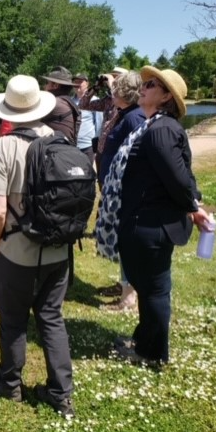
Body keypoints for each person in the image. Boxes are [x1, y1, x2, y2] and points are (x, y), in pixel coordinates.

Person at [97, 66, 212, 365]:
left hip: (151, 224)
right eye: (146, 83)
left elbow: (177, 177)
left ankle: (152, 353)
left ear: (165, 97)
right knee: (148, 287)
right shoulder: (152, 126)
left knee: (154, 290)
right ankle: (144, 340)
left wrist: (193, 206)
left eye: (151, 85)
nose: (144, 88)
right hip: (143, 222)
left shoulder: (161, 130)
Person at [0, 75, 75, 418]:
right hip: (59, 248)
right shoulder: (60, 140)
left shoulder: (2, 147)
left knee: (13, 318)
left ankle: (9, 383)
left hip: (17, 251)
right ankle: (60, 394)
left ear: (8, 111)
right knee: (51, 317)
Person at [96, 71, 146, 312]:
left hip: (124, 191)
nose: (112, 92)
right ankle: (124, 285)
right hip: (115, 188)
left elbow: (138, 157)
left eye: (116, 89)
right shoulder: (125, 113)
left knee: (126, 240)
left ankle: (128, 298)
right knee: (120, 239)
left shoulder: (134, 118)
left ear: (125, 93)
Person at [40, 66, 81, 143]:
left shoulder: (54, 103)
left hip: (53, 150)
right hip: (64, 149)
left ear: (55, 85)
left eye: (47, 83)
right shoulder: (67, 101)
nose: (45, 86)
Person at [71, 73, 102, 165]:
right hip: (71, 145)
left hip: (88, 146)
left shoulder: (95, 101)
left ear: (87, 84)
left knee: (86, 175)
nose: (77, 84)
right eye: (75, 82)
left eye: (80, 81)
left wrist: (96, 148)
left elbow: (99, 125)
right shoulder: (70, 101)